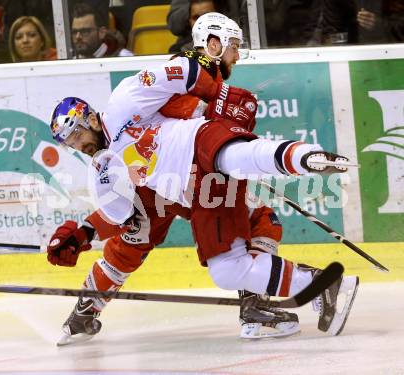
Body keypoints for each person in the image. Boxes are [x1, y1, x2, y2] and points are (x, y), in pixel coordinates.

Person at [49, 12, 358, 344]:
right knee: (138, 233)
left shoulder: (126, 100)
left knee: (259, 217)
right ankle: (86, 308)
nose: (78, 146)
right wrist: (81, 234)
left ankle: (256, 301)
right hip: (178, 189)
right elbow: (117, 214)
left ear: (91, 119)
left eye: (77, 135)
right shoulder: (104, 169)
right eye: (70, 143)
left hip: (197, 152)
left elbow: (185, 76)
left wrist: (214, 101)